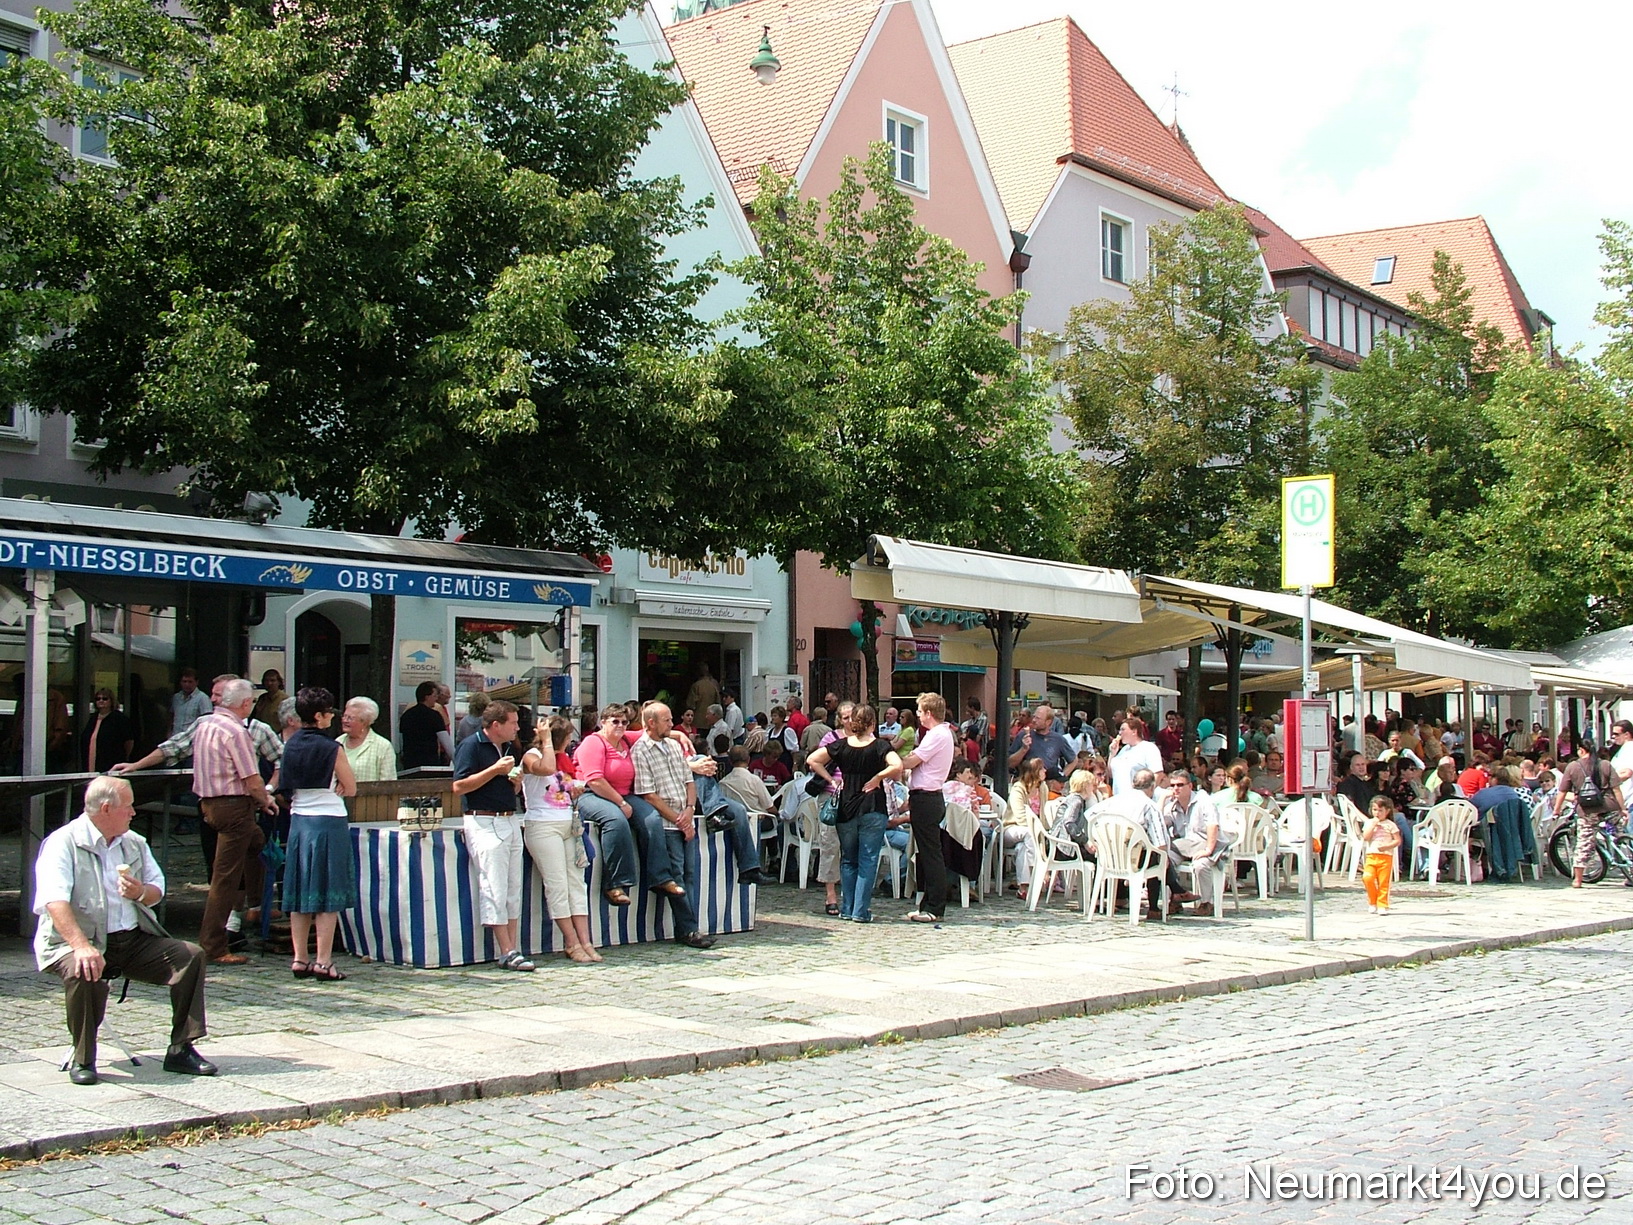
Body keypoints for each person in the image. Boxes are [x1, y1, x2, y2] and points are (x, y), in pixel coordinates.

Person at [34, 776, 216, 1086]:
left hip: (130, 940)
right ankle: (84, 1058)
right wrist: (81, 945)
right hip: (77, 941)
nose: (133, 813)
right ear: (106, 809)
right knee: (84, 968)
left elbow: (158, 889)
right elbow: (54, 901)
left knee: (190, 956)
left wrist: (141, 892)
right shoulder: (64, 842)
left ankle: (181, 1047)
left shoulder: (134, 843)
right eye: (128, 807)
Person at [191, 678, 276, 965]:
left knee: (258, 843)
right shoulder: (236, 731)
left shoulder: (205, 724)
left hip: (209, 804)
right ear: (244, 704)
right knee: (224, 878)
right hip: (234, 807)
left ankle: (256, 901)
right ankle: (214, 945)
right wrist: (266, 800)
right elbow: (251, 779)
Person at [279, 687, 358, 982]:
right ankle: (324, 961)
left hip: (300, 820)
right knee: (328, 894)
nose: (331, 719)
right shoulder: (331, 748)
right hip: (329, 820)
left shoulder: (291, 743)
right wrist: (341, 785)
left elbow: (286, 787)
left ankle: (300, 958)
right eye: (328, 714)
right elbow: (350, 787)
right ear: (319, 716)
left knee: (299, 891)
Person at [452, 699, 531, 971]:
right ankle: (506, 949)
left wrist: (516, 783)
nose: (517, 728)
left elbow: (511, 787)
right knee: (494, 885)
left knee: (512, 886)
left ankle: (513, 946)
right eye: (513, 723)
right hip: (483, 819)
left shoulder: (508, 747)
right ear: (496, 725)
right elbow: (459, 786)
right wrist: (493, 771)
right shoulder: (471, 745)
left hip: (509, 818)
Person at [805, 704, 902, 924]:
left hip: (846, 806)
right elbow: (897, 766)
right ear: (872, 724)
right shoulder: (880, 746)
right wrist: (878, 777)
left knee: (848, 859)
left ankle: (847, 908)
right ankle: (861, 909)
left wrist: (831, 780)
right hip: (872, 806)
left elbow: (813, 760)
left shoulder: (841, 745)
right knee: (868, 859)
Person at [631, 702, 716, 949]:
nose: (671, 725)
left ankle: (687, 927)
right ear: (651, 723)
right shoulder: (641, 750)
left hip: (684, 814)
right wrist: (678, 819)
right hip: (668, 822)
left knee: (689, 874)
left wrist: (689, 810)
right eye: (666, 720)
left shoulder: (673, 745)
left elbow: (689, 780)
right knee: (676, 874)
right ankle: (688, 929)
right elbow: (649, 794)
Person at [522, 714, 599, 964]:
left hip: (567, 822)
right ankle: (571, 941)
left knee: (576, 882)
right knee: (557, 883)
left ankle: (585, 940)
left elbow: (561, 785)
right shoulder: (532, 755)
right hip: (543, 825)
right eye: (567, 738)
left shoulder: (563, 759)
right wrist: (545, 742)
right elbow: (545, 769)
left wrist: (575, 788)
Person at [572, 704, 652, 909]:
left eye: (624, 722)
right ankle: (615, 884)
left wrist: (681, 736)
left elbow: (651, 731)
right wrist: (621, 802)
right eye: (615, 721)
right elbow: (595, 780)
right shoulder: (593, 742)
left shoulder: (625, 740)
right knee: (616, 820)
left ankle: (658, 876)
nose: (620, 725)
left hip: (624, 794)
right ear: (603, 722)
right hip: (591, 793)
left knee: (652, 819)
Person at [897, 692, 957, 923]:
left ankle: (935, 907)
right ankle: (927, 904)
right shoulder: (940, 734)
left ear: (929, 713)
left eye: (920, 712)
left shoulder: (937, 734)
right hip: (925, 797)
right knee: (927, 852)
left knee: (931, 854)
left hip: (927, 797)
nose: (919, 716)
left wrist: (891, 760)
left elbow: (912, 760)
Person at [1554, 738, 1627, 889]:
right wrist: (1623, 809)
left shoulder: (1573, 767)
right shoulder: (1605, 764)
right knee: (1620, 837)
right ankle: (1628, 869)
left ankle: (1578, 880)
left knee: (1585, 842)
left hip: (1588, 809)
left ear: (1581, 750)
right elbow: (1617, 790)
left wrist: (1556, 810)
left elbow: (1562, 792)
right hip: (1610, 806)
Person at [1166, 771, 1228, 916]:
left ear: (1190, 786)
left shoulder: (1203, 801)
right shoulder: (1171, 804)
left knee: (1201, 865)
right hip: (1184, 846)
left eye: (1180, 785)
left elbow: (1213, 826)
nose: (1176, 789)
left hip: (1208, 843)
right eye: (1173, 785)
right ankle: (1175, 898)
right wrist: (1163, 800)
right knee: (1164, 859)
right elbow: (1160, 823)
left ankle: (1207, 902)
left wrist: (1208, 849)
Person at [1004, 758, 1047, 898]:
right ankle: (1038, 870)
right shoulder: (1018, 788)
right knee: (1028, 833)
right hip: (1011, 828)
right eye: (1042, 769)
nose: (1045, 771)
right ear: (1034, 772)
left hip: (1031, 834)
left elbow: (1043, 814)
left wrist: (1044, 831)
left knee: (1022, 847)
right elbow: (1020, 817)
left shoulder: (1043, 788)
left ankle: (1024, 887)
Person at [1006, 704, 1075, 781]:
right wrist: (1024, 749)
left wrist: (1061, 777)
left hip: (1047, 785)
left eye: (1038, 718)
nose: (1034, 720)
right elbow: (1010, 764)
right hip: (1027, 783)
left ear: (1048, 722)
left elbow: (1073, 761)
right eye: (1034, 716)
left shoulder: (1058, 739)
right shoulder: (1023, 735)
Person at [1360, 795, 1402, 915]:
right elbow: (1366, 837)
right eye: (1375, 810)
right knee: (1367, 878)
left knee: (1383, 882)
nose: (1377, 813)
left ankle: (1382, 904)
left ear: (1387, 811)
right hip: (1371, 856)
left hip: (1385, 857)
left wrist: (1386, 847)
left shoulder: (1390, 825)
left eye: (1380, 810)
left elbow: (1397, 840)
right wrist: (1372, 826)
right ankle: (1372, 901)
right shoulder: (1369, 823)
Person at [340, 697, 398, 783]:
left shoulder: (383, 746)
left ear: (365, 722)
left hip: (368, 796)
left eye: (350, 718)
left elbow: (388, 783)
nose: (344, 721)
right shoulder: (338, 742)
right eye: (344, 716)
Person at [399, 681, 451, 771]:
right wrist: (456, 760)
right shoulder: (434, 716)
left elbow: (401, 739)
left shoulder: (407, 715)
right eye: (434, 696)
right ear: (427, 697)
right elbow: (445, 740)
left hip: (410, 763)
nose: (436, 698)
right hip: (430, 762)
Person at [81, 688, 135, 775]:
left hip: (111, 763)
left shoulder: (119, 718)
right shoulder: (93, 718)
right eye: (98, 699)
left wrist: (124, 757)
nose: (101, 701)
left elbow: (129, 741)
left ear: (111, 701)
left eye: (105, 698)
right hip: (91, 762)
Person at [1108, 716, 1163, 796]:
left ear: (1134, 731)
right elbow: (1111, 774)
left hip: (1137, 799)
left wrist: (1147, 795)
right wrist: (1112, 754)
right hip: (1118, 798)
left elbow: (1158, 773)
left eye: (1123, 729)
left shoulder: (1148, 748)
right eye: (1120, 730)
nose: (1120, 733)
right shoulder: (1123, 750)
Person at [720, 745, 776, 816]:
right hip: (757, 819)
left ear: (730, 761)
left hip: (734, 820)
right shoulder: (754, 780)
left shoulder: (723, 782)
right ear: (748, 760)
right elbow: (769, 806)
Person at [169, 667, 211, 737]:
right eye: (184, 681)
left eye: (190, 682)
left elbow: (207, 721)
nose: (187, 685)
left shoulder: (203, 698)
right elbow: (171, 716)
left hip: (192, 739)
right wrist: (169, 732)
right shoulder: (176, 697)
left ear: (196, 682)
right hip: (175, 737)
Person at [684, 664, 721, 732]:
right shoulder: (714, 685)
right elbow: (718, 703)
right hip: (711, 721)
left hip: (698, 721)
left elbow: (690, 704)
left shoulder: (696, 685)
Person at [1610, 719, 1633, 811]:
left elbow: (1627, 773)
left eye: (1617, 734)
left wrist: (1607, 781)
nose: (1613, 736)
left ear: (1627, 734)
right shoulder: (1624, 749)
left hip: (1629, 800)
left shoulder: (1630, 748)